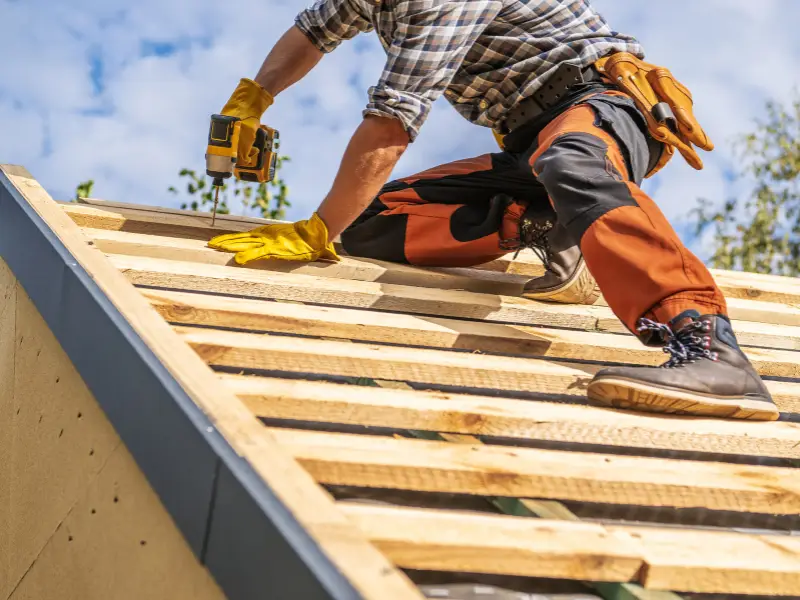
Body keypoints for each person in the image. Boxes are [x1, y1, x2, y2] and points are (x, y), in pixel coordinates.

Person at [207, 0, 778, 422]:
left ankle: (708, 344)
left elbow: (392, 122)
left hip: (599, 106)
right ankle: (547, 225)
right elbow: (313, 31)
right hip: (532, 145)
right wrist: (254, 95)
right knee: (370, 220)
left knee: (573, 163)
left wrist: (316, 231)